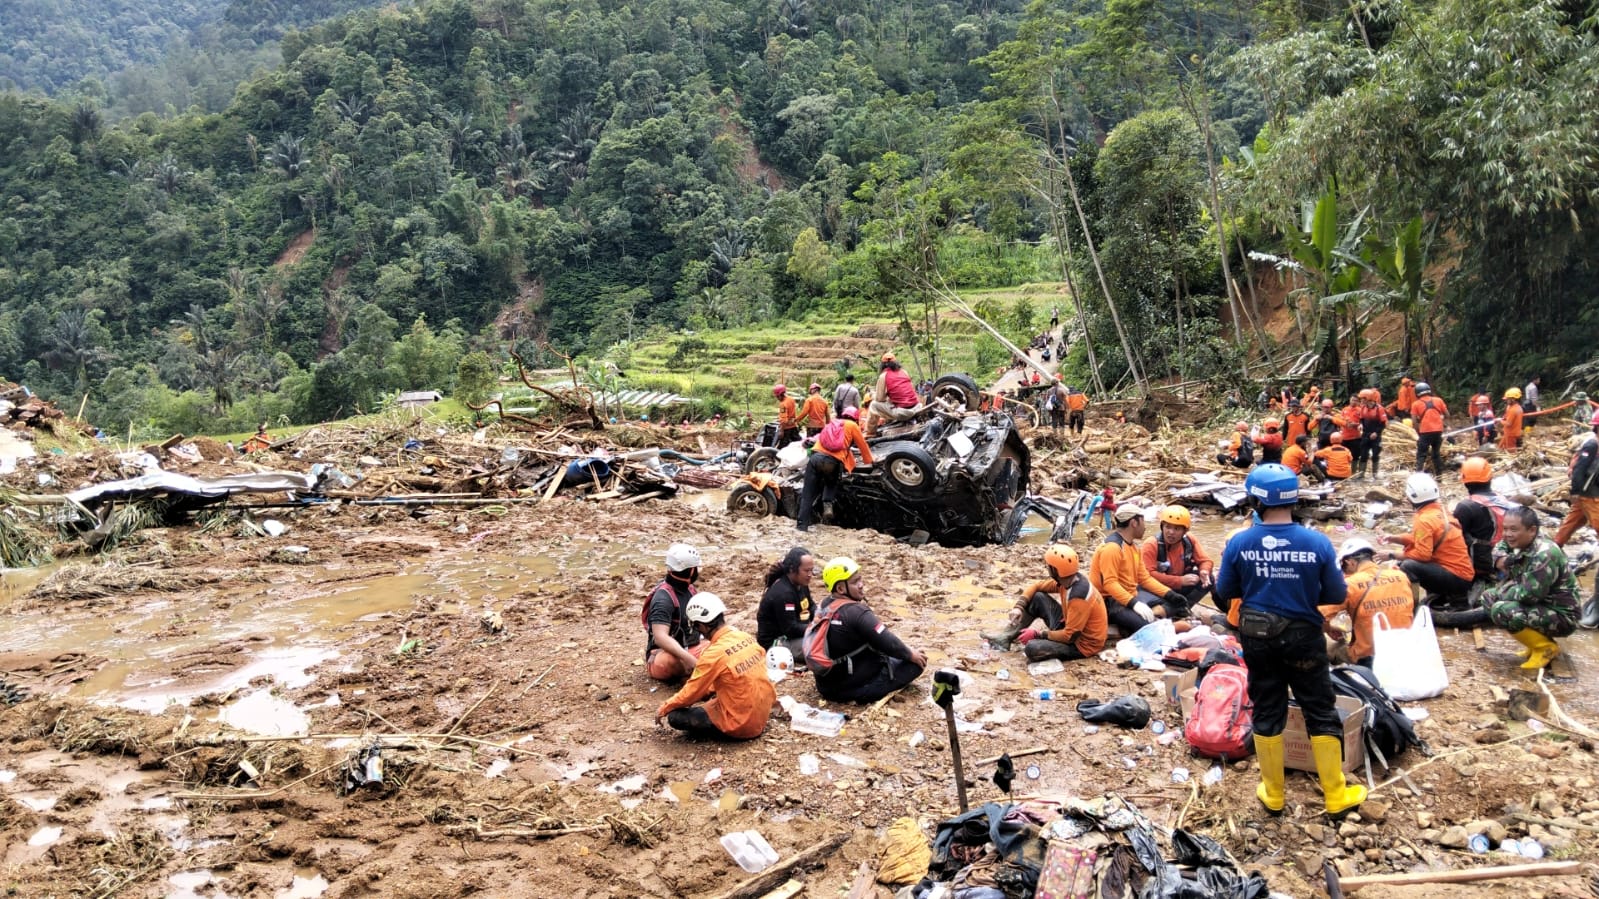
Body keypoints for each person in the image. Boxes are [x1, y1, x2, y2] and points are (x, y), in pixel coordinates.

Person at [1215, 463, 1362, 819]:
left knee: (1267, 709)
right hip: (1304, 638)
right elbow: (1335, 591)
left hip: (1257, 637)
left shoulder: (1240, 542)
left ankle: (1274, 794)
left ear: (1256, 500)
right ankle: (1335, 795)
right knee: (1319, 708)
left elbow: (1225, 593)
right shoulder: (1317, 542)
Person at [655, 593, 776, 739]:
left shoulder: (713, 654)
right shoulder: (745, 637)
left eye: (697, 627)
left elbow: (691, 692)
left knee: (675, 717)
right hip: (762, 714)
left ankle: (724, 728)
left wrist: (665, 707)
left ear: (702, 625)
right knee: (714, 693)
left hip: (742, 725)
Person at [810, 558, 927, 703]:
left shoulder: (822, 605)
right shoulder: (857, 612)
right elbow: (888, 642)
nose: (861, 585)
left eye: (860, 580)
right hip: (851, 689)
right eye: (855, 582)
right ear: (840, 588)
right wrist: (911, 654)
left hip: (824, 686)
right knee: (916, 663)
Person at [1477, 506, 1579, 669]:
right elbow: (1499, 547)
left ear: (1532, 530)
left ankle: (1545, 648)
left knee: (1503, 610)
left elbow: (1528, 595)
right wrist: (1500, 560)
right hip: (1542, 606)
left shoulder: (1544, 554)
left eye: (1514, 529)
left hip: (1561, 616)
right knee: (1488, 597)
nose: (1508, 534)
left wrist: (1503, 590)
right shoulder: (1521, 540)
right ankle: (1535, 644)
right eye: (1506, 529)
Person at [989, 545, 1108, 662]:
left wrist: (1039, 634)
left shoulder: (1078, 596)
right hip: (1070, 627)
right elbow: (1037, 586)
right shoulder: (1067, 580)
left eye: (1049, 566)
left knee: (1032, 648)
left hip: (1081, 645)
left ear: (1055, 570)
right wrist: (1018, 607)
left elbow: (1069, 636)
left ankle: (1023, 639)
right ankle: (1005, 637)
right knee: (1037, 597)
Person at [1090, 506, 1193, 631]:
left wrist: (1170, 594)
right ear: (1134, 523)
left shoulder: (1133, 547)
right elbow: (1110, 584)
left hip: (1131, 594)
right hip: (1110, 601)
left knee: (1176, 603)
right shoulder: (1112, 548)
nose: (1145, 527)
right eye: (1143, 522)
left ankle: (1149, 616)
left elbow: (1144, 578)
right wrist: (1134, 604)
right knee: (1147, 626)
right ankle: (1149, 622)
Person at [1379, 473, 1475, 606]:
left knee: (1408, 566)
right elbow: (1423, 539)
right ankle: (1445, 597)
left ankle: (1413, 607)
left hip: (1456, 577)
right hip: (1462, 575)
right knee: (1408, 560)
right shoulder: (1440, 511)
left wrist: (1391, 555)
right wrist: (1395, 538)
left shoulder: (1424, 519)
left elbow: (1423, 555)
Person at [1322, 539, 1415, 668]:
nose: (1344, 572)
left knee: (1320, 641)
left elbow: (1319, 616)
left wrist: (1330, 629)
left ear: (1350, 562)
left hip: (1368, 656)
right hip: (1403, 651)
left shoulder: (1350, 584)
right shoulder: (1401, 576)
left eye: (1343, 567)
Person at [797, 406, 874, 531]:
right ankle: (827, 504)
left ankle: (801, 526)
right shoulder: (853, 426)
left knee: (807, 494)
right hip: (832, 462)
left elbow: (818, 439)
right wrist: (869, 461)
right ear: (855, 418)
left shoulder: (831, 423)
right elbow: (862, 445)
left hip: (815, 458)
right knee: (831, 482)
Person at [645, 544, 707, 681]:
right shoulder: (663, 598)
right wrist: (689, 658)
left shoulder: (689, 589)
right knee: (673, 662)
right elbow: (660, 637)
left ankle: (698, 674)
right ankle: (694, 679)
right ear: (691, 571)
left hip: (692, 646)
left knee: (727, 648)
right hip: (666, 654)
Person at [1453, 457, 1519, 584]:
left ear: (1464, 481)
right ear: (1490, 478)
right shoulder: (1502, 499)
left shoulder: (1466, 507)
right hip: (1504, 557)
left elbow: (1456, 539)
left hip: (1480, 565)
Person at [1141, 505, 1215, 613]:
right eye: (1168, 527)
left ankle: (1183, 608)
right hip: (1158, 588)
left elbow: (1205, 561)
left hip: (1179, 584)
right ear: (1162, 527)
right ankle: (1172, 609)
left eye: (1176, 528)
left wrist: (1204, 571)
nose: (1171, 532)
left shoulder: (1189, 540)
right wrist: (1179, 581)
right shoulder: (1151, 544)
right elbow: (1147, 576)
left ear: (1185, 531)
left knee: (1210, 579)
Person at [758, 547, 815, 649]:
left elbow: (811, 606)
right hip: (776, 642)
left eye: (812, 570)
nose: (810, 575)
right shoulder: (784, 594)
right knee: (822, 646)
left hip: (794, 632)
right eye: (806, 571)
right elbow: (790, 629)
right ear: (792, 569)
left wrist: (822, 616)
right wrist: (815, 628)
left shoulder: (801, 583)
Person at [866, 354, 921, 436]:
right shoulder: (904, 372)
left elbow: (879, 399)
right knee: (890, 401)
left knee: (873, 405)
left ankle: (870, 433)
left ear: (882, 365)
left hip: (903, 412)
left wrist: (872, 394)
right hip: (917, 407)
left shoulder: (883, 376)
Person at [1410, 382, 1448, 475]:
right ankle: (1439, 476)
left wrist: (1418, 432)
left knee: (1421, 454)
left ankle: (1419, 474)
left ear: (1417, 393)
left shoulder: (1416, 404)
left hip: (1425, 432)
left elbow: (1414, 422)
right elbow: (1447, 414)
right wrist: (1440, 418)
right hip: (1438, 431)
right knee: (1436, 454)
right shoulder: (1438, 400)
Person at [1355, 388, 1388, 479]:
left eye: (1362, 399)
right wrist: (1360, 425)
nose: (1361, 401)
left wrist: (1377, 433)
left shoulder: (1379, 409)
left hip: (1376, 435)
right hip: (1365, 434)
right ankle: (1361, 474)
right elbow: (1361, 419)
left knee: (1375, 454)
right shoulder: (1363, 408)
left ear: (1368, 398)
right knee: (1363, 454)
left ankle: (1375, 474)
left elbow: (1383, 423)